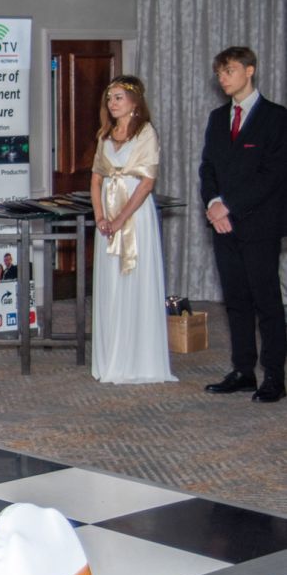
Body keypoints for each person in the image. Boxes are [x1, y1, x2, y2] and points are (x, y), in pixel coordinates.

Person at [199, 46, 287, 403]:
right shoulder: (218, 117)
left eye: (230, 71)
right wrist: (213, 204)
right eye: (220, 73)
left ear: (250, 71)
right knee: (235, 300)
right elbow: (208, 168)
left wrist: (228, 206)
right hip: (224, 226)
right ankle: (243, 370)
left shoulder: (276, 118)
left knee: (267, 302)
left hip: (260, 224)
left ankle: (275, 376)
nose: (223, 79)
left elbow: (272, 174)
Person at [89, 76, 176, 384]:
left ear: (134, 102)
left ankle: (136, 358)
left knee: (133, 278)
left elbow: (146, 183)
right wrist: (101, 217)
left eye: (118, 98)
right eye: (109, 98)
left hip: (135, 217)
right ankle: (110, 354)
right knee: (110, 284)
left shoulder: (145, 133)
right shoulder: (105, 135)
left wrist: (120, 219)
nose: (112, 103)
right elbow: (96, 179)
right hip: (108, 217)